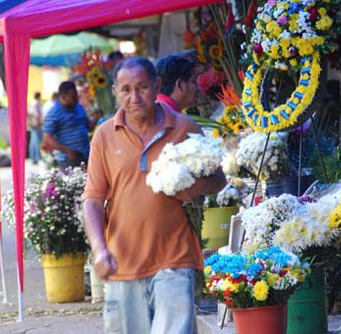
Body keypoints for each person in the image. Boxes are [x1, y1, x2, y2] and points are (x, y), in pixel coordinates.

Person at [82, 57, 226, 334]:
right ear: (114, 92)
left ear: (157, 85)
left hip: (175, 258)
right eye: (125, 90)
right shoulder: (104, 135)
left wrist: (194, 188)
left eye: (142, 87)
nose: (134, 97)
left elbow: (218, 178)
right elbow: (92, 200)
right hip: (121, 261)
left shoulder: (185, 128)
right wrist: (99, 250)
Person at [42, 81, 100, 168]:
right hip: (68, 160)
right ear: (63, 97)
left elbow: (88, 128)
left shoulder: (79, 107)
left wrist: (96, 118)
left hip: (86, 155)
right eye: (73, 96)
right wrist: (67, 150)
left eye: (76, 95)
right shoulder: (54, 113)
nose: (76, 99)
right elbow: (47, 139)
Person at [27, 92, 43, 164]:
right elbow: (37, 114)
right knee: (36, 141)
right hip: (36, 124)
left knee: (33, 141)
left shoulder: (32, 103)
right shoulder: (36, 104)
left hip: (33, 125)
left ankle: (33, 156)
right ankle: (36, 156)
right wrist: (41, 121)